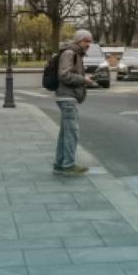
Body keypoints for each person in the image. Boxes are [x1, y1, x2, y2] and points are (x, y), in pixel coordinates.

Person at [54, 29, 95, 176]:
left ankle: (60, 164)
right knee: (72, 133)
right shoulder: (70, 53)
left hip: (67, 97)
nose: (89, 44)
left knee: (65, 133)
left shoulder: (75, 53)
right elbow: (64, 75)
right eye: (86, 40)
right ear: (78, 40)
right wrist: (83, 79)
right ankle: (69, 165)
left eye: (90, 41)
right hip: (67, 97)